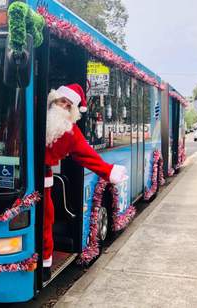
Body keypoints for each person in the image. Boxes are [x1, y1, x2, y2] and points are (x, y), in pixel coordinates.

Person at [43, 83, 128, 281]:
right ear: (54, 100)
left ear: (72, 110)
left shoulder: (71, 132)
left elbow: (88, 156)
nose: (63, 106)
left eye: (68, 105)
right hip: (20, 179)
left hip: (45, 180)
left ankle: (45, 265)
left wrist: (109, 171)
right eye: (62, 101)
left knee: (46, 221)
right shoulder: (36, 114)